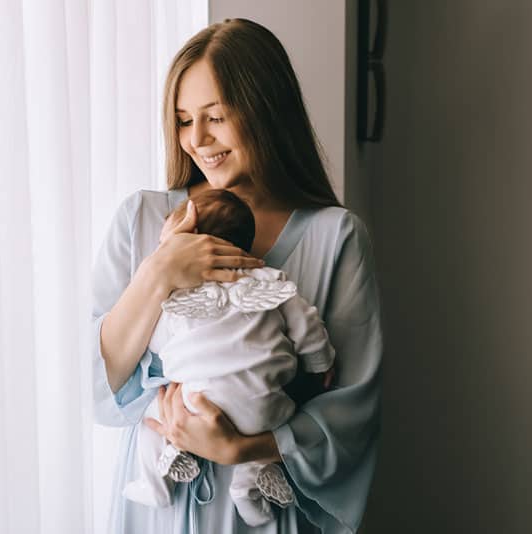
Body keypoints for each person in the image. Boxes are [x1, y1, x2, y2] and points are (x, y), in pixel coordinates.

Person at [91, 17, 382, 534]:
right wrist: (159, 271)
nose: (197, 140)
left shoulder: (334, 237)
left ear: (266, 112)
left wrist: (243, 447)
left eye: (215, 117)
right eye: (183, 121)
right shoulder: (141, 218)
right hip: (157, 506)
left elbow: (352, 406)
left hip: (263, 509)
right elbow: (100, 378)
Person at [122, 189, 336, 528]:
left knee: (148, 412)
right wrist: (321, 363)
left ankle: (157, 479)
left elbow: (156, 344)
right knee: (268, 432)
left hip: (196, 403)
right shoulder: (270, 282)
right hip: (267, 409)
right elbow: (307, 325)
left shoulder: (179, 296)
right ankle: (248, 484)